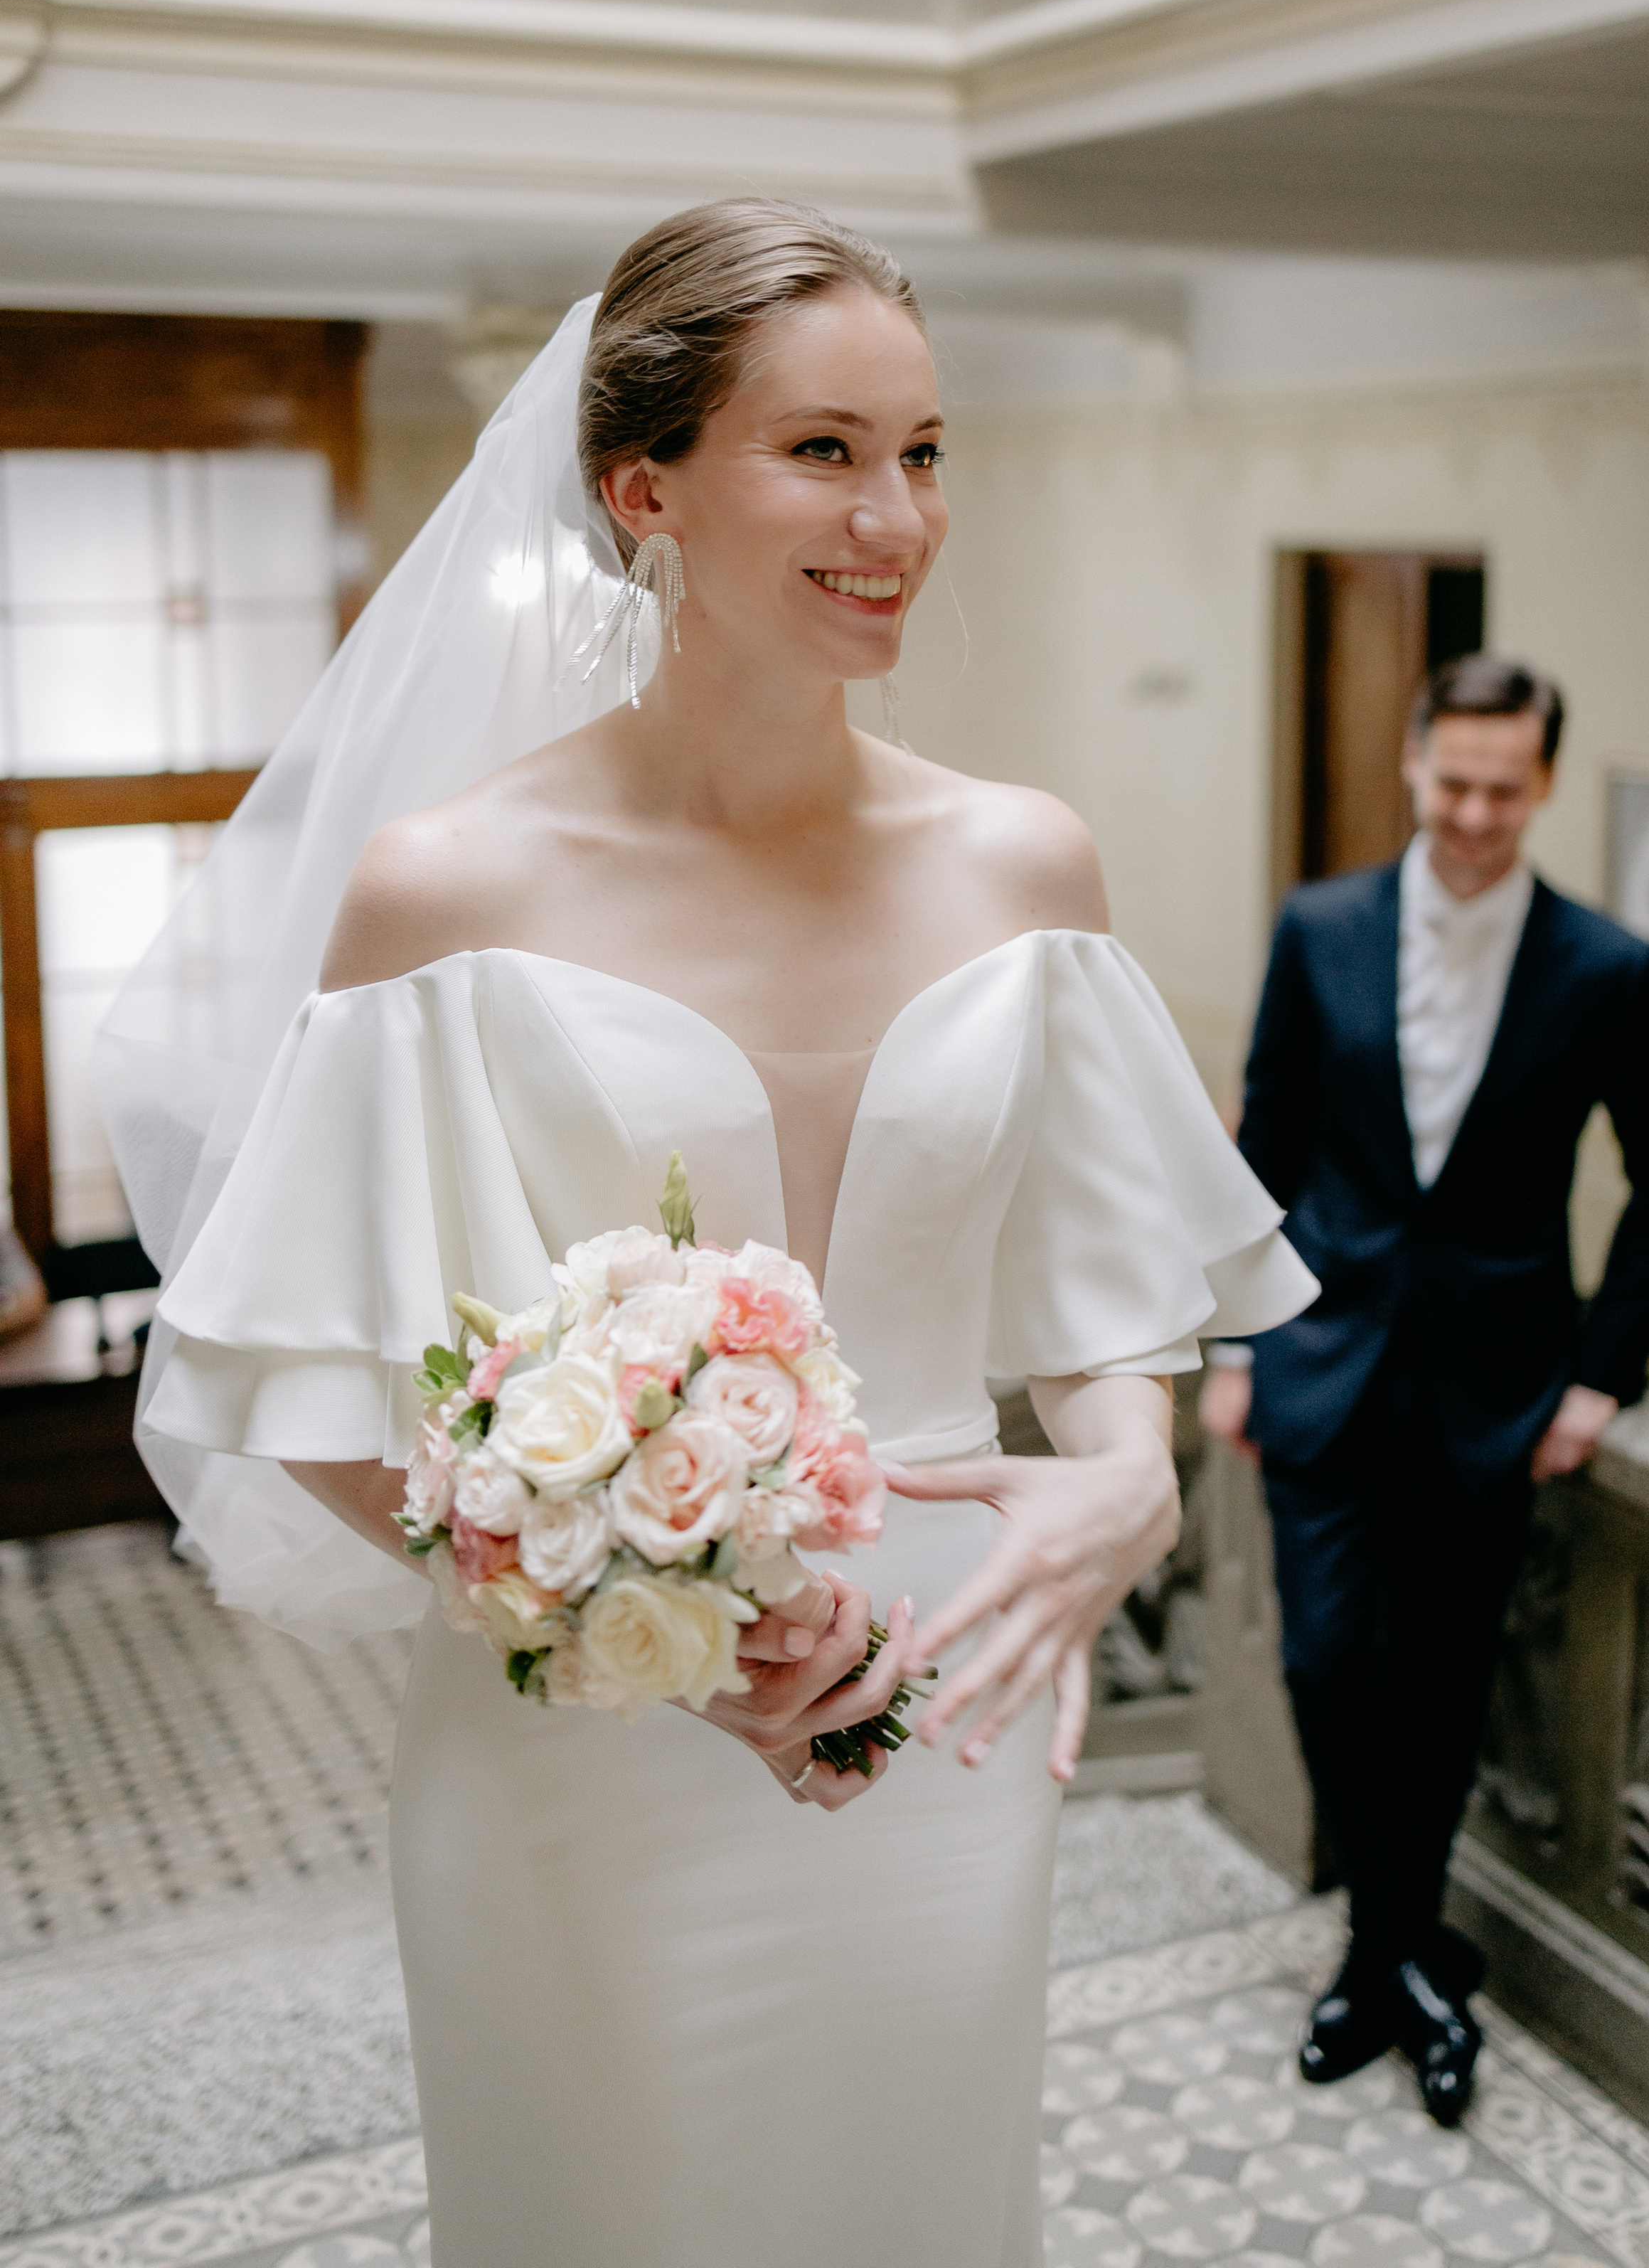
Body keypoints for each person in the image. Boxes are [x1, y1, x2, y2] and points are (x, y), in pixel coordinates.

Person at [105, 201, 1316, 2268]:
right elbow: (310, 1400)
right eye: (823, 451)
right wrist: (622, 1615)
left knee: (919, 2197)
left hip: (944, 1685)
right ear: (640, 486)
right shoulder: (445, 891)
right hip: (582, 1721)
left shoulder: (1025, 865)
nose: (896, 518)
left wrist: (1124, 1476)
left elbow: (1110, 1289)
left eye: (922, 452)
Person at [1200, 653, 1649, 2129]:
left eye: (1504, 790)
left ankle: (1379, 1962)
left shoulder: (1607, 969)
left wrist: (1601, 1375)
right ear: (1413, 767)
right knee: (1322, 1662)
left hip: (1496, 1389)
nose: (1475, 815)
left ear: (1542, 784)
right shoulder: (1319, 927)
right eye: (1453, 784)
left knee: (1438, 1686)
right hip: (1320, 1368)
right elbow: (1264, 1145)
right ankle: (1402, 1948)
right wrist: (1232, 1346)